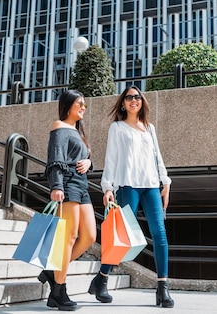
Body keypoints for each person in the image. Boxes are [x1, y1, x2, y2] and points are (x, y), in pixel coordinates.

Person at [88, 85, 174, 308]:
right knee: (122, 235)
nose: (134, 100)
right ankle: (102, 278)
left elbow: (157, 156)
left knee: (159, 233)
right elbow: (112, 159)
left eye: (137, 97)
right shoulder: (117, 128)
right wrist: (107, 187)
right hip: (128, 186)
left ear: (142, 101)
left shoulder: (149, 128)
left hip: (151, 186)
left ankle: (162, 288)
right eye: (129, 97)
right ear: (123, 103)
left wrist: (166, 182)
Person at [39, 89, 96, 311]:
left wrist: (89, 162)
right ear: (68, 105)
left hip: (82, 186)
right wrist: (56, 186)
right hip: (68, 184)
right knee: (69, 237)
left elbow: (84, 157)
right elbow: (55, 158)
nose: (83, 107)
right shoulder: (59, 127)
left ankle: (53, 272)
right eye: (79, 104)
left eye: (84, 104)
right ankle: (58, 292)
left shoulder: (77, 130)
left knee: (89, 236)